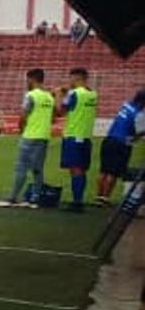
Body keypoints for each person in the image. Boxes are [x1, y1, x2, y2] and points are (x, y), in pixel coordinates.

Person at [0, 68, 53, 209]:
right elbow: (52, 117)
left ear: (31, 79)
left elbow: (23, 115)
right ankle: (35, 198)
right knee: (37, 169)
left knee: (20, 167)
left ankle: (13, 197)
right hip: (43, 136)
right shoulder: (49, 97)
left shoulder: (31, 95)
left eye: (27, 79)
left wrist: (21, 128)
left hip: (30, 135)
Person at [96, 90, 145, 207]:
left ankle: (98, 197)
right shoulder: (139, 114)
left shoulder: (126, 105)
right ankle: (105, 198)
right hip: (121, 143)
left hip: (109, 139)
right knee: (113, 172)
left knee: (104, 170)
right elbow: (139, 132)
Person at [59, 67, 98, 212]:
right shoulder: (93, 94)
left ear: (76, 78)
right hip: (86, 136)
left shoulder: (74, 93)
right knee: (81, 169)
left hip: (73, 135)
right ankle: (78, 199)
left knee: (75, 169)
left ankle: (77, 202)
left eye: (71, 78)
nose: (69, 81)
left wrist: (59, 95)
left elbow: (60, 111)